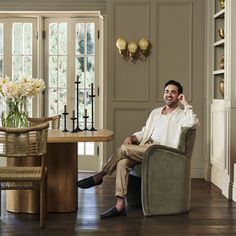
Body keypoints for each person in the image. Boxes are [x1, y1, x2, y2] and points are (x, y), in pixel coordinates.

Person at [78, 80, 199, 219]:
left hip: (160, 152)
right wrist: (133, 137)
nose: (169, 95)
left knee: (124, 149)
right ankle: (120, 205)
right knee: (123, 163)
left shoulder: (182, 114)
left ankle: (100, 175)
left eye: (173, 92)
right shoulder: (156, 112)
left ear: (179, 96)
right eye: (167, 91)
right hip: (145, 148)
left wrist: (186, 104)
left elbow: (193, 123)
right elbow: (144, 132)